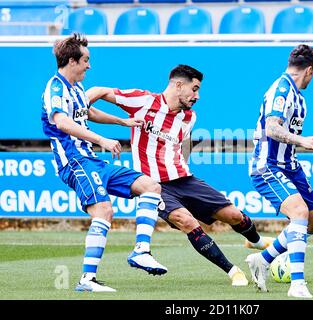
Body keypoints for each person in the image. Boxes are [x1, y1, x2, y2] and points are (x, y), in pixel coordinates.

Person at [86, 64, 274, 287]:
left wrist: (181, 163)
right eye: (194, 89)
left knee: (234, 215)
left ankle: (256, 242)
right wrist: (81, 107)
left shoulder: (189, 116)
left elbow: (185, 143)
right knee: (187, 222)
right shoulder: (143, 101)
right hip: (154, 185)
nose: (197, 96)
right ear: (178, 85)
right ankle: (234, 272)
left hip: (185, 179)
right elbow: (97, 90)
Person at [41, 33, 167, 293]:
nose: (89, 65)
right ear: (72, 60)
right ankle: (87, 280)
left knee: (150, 186)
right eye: (86, 60)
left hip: (92, 161)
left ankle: (141, 251)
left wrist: (124, 122)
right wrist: (102, 140)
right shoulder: (55, 87)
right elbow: (62, 122)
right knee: (103, 211)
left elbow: (89, 112)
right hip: (74, 162)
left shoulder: (75, 88)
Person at [245, 44, 313, 298]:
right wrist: (304, 141)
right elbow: (272, 128)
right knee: (299, 212)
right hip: (267, 165)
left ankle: (263, 259)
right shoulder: (281, 89)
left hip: (290, 165)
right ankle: (297, 285)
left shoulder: (297, 95)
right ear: (310, 70)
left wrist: (301, 144)